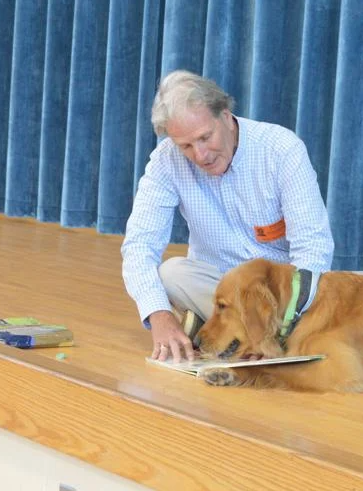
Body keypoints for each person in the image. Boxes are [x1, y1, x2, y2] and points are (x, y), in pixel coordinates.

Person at [121, 70, 334, 363]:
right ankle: (255, 340)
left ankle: (234, 335)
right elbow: (139, 246)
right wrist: (159, 315)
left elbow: (312, 249)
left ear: (225, 114)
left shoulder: (281, 148)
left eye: (205, 137)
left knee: (359, 292)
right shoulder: (165, 161)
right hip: (218, 293)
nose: (200, 155)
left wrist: (287, 319)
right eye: (185, 145)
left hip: (279, 300)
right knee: (172, 274)